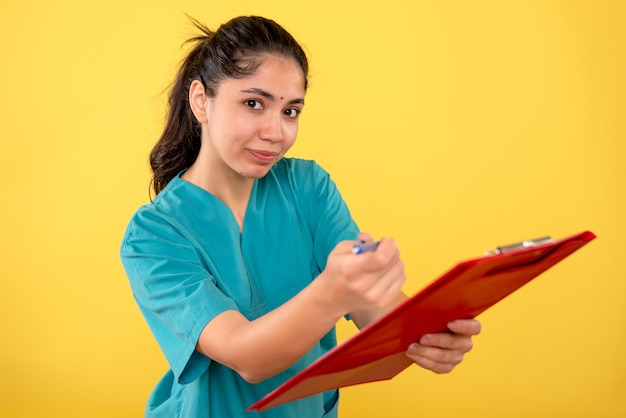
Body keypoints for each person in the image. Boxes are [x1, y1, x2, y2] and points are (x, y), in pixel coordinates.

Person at [120, 15, 481, 418]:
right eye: (253, 104)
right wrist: (333, 291)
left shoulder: (307, 187)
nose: (276, 132)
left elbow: (374, 310)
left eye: (290, 111)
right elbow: (246, 357)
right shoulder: (153, 235)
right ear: (202, 100)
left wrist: (424, 333)